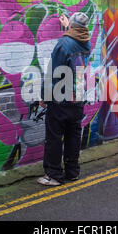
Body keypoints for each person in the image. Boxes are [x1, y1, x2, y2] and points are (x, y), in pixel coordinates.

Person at [37, 12, 91, 186]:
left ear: (73, 27)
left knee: (54, 137)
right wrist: (69, 25)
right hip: (78, 98)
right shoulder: (86, 42)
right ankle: (72, 172)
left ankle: (53, 175)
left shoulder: (63, 44)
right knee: (73, 136)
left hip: (61, 98)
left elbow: (53, 73)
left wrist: (44, 95)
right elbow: (76, 35)